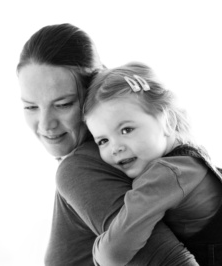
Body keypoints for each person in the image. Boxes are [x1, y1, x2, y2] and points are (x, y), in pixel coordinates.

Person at [17, 23, 199, 265]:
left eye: (63, 104)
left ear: (93, 90)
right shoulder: (137, 155)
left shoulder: (80, 168)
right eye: (30, 106)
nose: (46, 124)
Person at [83, 62, 222, 266]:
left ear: (168, 122)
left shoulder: (165, 174)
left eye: (126, 130)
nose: (116, 148)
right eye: (103, 141)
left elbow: (112, 255)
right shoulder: (189, 161)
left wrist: (95, 247)